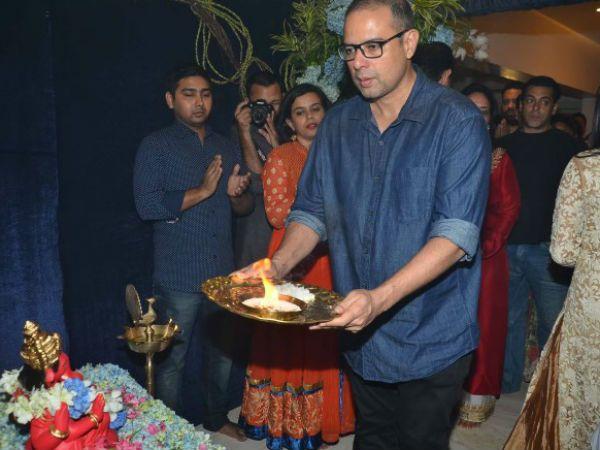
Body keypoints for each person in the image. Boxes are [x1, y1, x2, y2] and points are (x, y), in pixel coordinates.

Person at [235, 0, 491, 448]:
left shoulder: (457, 121)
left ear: (409, 42)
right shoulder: (338, 123)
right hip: (360, 330)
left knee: (418, 441)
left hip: (430, 333)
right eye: (350, 50)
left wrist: (379, 298)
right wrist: (275, 267)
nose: (358, 63)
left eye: (373, 47)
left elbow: (455, 235)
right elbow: (311, 211)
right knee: (372, 438)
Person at [133, 65, 252, 440]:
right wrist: (202, 191)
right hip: (178, 275)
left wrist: (236, 194)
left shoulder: (224, 144)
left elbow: (245, 208)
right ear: (171, 100)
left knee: (222, 357)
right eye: (189, 94)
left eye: (205, 94)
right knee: (172, 363)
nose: (199, 102)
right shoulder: (155, 146)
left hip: (222, 274)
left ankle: (216, 419)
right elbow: (146, 205)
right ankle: (170, 434)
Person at [239, 83, 355, 450]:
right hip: (296, 259)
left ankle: (325, 422)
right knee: (293, 341)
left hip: (334, 258)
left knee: (328, 335)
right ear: (289, 122)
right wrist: (332, 217)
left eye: (316, 109)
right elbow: (276, 215)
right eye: (300, 112)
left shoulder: (340, 154)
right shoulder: (282, 157)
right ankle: (291, 426)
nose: (310, 118)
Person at [504, 148, 600, 450]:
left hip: (592, 309)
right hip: (514, 247)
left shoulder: (587, 166)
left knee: (580, 404)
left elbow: (564, 253)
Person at [498, 76, 580, 394]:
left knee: (552, 322)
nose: (535, 107)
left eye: (544, 101)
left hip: (549, 251)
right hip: (506, 247)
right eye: (530, 100)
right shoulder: (502, 146)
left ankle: (546, 390)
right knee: (508, 320)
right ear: (520, 105)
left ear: (554, 107)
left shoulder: (571, 149)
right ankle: (506, 383)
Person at [458, 83, 521, 427]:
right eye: (469, 107)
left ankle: (477, 396)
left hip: (486, 254)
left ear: (490, 118)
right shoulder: (443, 150)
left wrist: (485, 243)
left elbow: (508, 207)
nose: (474, 115)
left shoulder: (499, 158)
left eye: (482, 110)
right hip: (443, 254)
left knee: (484, 324)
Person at [233, 71, 284, 269]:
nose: (268, 110)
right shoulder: (235, 135)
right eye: (260, 103)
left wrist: (279, 149)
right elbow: (256, 185)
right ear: (247, 103)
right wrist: (244, 132)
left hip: (291, 247)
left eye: (275, 103)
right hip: (254, 248)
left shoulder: (292, 131)